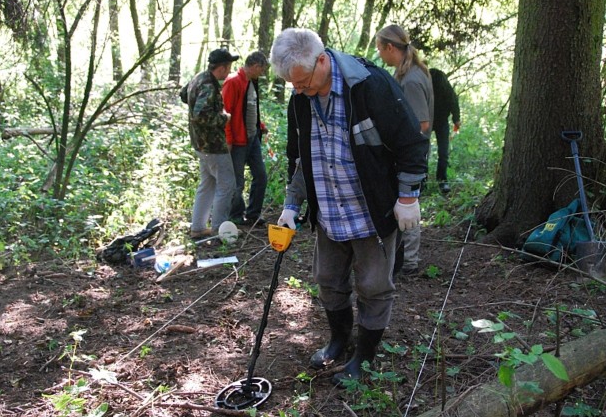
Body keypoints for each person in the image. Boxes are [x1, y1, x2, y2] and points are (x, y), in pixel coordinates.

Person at [269, 28, 428, 385]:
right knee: (327, 280)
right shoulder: (301, 97)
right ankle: (339, 339)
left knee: (373, 286)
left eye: (303, 82)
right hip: (328, 211)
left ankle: (364, 356)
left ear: (322, 61)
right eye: (292, 85)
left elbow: (411, 145)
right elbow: (302, 159)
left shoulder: (370, 86)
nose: (299, 90)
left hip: (370, 212)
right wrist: (292, 205)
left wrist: (407, 198)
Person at [376, 24, 434, 275]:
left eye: (380, 49)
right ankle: (399, 258)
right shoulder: (405, 74)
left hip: (410, 156)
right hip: (405, 153)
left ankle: (409, 261)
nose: (379, 54)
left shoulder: (411, 79)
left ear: (390, 48)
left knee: (408, 203)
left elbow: (421, 123)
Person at [180, 48, 238, 239]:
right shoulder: (208, 85)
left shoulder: (198, 78)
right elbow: (200, 115)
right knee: (227, 184)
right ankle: (219, 230)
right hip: (212, 145)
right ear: (221, 68)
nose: (229, 71)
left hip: (200, 144)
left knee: (207, 183)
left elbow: (183, 94)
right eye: (228, 67)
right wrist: (224, 118)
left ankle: (197, 227)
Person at [222, 51, 270, 226]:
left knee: (261, 176)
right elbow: (225, 113)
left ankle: (253, 214)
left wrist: (260, 126)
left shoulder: (251, 82)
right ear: (256, 66)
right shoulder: (233, 81)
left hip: (252, 138)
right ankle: (235, 215)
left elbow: (249, 109)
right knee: (237, 181)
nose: (262, 73)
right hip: (238, 141)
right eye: (262, 70)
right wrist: (228, 139)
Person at [429, 68, 461, 194]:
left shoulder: (443, 85)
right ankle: (424, 180)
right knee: (425, 152)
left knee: (443, 152)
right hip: (427, 120)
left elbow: (453, 101)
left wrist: (456, 119)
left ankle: (442, 179)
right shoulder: (424, 84)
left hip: (441, 121)